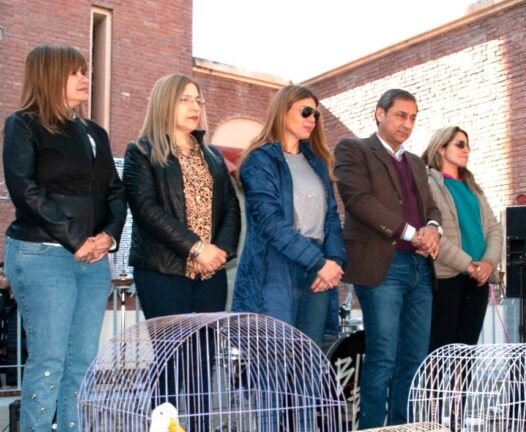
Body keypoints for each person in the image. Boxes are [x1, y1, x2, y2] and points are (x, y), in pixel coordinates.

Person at [2, 45, 127, 432]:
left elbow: (115, 192)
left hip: (92, 262)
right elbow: (26, 190)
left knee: (83, 362)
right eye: (75, 72)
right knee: (49, 361)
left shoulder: (95, 133)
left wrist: (108, 236)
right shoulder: (22, 125)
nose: (85, 78)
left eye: (86, 71)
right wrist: (78, 240)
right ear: (50, 75)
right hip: (42, 256)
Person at [123, 74, 241, 430]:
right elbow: (146, 210)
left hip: (210, 274)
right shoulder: (141, 151)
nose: (195, 107)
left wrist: (220, 252)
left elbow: (231, 209)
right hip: (162, 271)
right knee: (170, 363)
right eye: (185, 100)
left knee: (203, 364)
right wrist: (197, 248)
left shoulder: (213, 157)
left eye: (198, 101)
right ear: (165, 103)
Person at [334, 89, 442, 427]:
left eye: (413, 118)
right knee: (383, 357)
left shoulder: (416, 162)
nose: (407, 124)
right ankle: (371, 428)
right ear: (379, 114)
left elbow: (431, 207)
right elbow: (358, 200)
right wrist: (413, 233)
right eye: (400, 115)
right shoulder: (353, 150)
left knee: (414, 359)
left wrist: (434, 229)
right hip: (384, 266)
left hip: (420, 269)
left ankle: (403, 425)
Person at [232, 84, 346, 346]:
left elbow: (331, 217)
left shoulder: (317, 162)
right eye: (306, 112)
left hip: (319, 271)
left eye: (316, 115)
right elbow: (270, 222)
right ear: (282, 112)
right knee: (273, 358)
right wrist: (319, 263)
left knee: (310, 358)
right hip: (276, 266)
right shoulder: (260, 160)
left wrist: (335, 262)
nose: (312, 120)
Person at [421, 126, 502, 351]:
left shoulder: (473, 188)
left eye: (467, 145)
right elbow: (432, 232)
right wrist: (468, 265)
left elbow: (494, 229)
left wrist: (487, 264)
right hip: (447, 278)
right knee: (439, 353)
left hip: (478, 281)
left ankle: (464, 389)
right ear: (440, 148)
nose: (467, 150)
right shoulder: (428, 183)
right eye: (460, 144)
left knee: (467, 354)